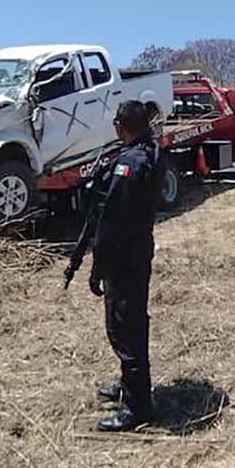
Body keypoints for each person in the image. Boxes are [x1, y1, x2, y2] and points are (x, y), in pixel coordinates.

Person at [66, 100, 167, 431]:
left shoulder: (130, 164)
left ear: (122, 126)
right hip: (138, 249)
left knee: (124, 328)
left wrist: (97, 266)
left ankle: (139, 408)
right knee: (132, 321)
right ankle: (131, 386)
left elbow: (111, 222)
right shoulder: (150, 151)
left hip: (124, 256)